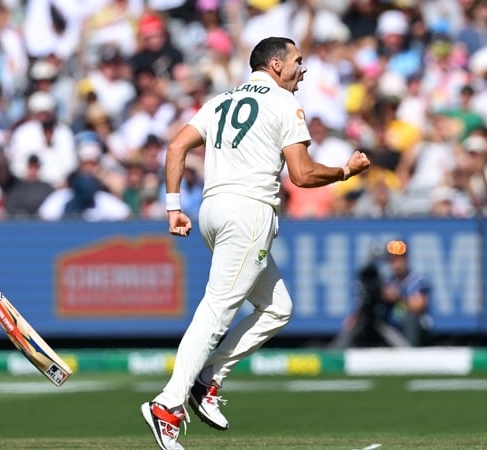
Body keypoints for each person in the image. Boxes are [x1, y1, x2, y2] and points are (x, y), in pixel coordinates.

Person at [140, 36, 371, 450]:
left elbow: (176, 147)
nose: (303, 70)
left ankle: (206, 379)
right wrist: (344, 171)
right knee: (216, 310)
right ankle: (167, 404)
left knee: (277, 309)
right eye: (298, 62)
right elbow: (301, 175)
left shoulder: (220, 99)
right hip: (248, 212)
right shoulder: (283, 102)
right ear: (277, 64)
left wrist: (173, 206)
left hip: (212, 210)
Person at [381, 239, 432, 347]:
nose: (396, 264)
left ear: (406, 259)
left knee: (411, 316)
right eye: (393, 260)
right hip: (393, 327)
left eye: (399, 259)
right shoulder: (387, 282)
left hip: (417, 329)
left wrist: (398, 297)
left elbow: (419, 305)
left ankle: (411, 356)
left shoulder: (418, 280)